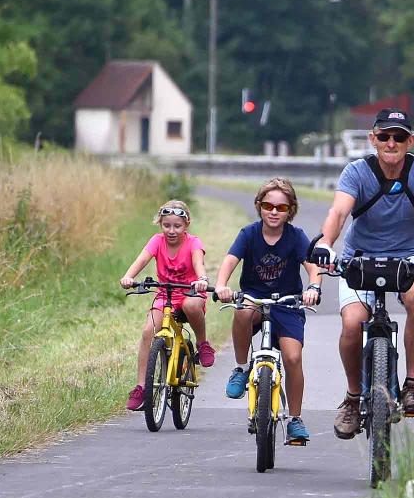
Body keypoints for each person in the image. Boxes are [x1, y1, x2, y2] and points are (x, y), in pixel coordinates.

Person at [310, 108, 414, 439]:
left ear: (410, 141)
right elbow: (339, 211)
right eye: (384, 136)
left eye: (399, 137)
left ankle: (412, 384)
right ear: (373, 139)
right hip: (360, 257)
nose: (391, 142)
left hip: (409, 256)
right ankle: (353, 397)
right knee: (351, 321)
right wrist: (326, 244)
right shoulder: (357, 172)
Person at [212, 177, 322, 444]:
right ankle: (240, 368)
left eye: (281, 207)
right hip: (254, 298)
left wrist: (314, 287)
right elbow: (230, 261)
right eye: (267, 205)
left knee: (293, 358)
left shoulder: (296, 237)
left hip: (287, 303)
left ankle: (295, 418)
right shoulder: (249, 233)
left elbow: (312, 267)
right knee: (242, 311)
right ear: (259, 206)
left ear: (290, 210)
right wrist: (221, 285)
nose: (273, 211)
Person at [119, 200, 214, 412]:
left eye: (177, 226)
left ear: (186, 225)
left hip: (190, 292)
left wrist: (202, 279)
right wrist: (128, 276)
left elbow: (199, 264)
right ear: (160, 224)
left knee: (190, 306)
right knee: (147, 331)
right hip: (165, 293)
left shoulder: (193, 243)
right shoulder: (156, 241)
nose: (171, 231)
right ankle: (142, 388)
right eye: (166, 225)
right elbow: (141, 260)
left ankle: (202, 343)